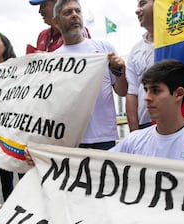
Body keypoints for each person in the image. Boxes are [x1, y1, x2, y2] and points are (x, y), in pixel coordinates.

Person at [53, 0, 128, 150]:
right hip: (71, 139)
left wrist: (120, 72)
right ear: (56, 22)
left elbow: (122, 91)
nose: (75, 15)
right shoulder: (53, 60)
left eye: (77, 11)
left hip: (104, 137)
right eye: (68, 12)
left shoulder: (104, 48)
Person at [0, 32, 24, 215]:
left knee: (21, 169)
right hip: (2, 127)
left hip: (18, 125)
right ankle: (7, 207)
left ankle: (27, 207)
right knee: (4, 168)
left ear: (5, 44)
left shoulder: (19, 65)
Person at [125, 0, 154, 132]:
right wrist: (135, 135)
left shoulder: (179, 42)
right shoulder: (136, 50)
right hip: (145, 127)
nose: (137, 10)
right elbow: (132, 93)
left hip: (177, 125)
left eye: (142, 4)